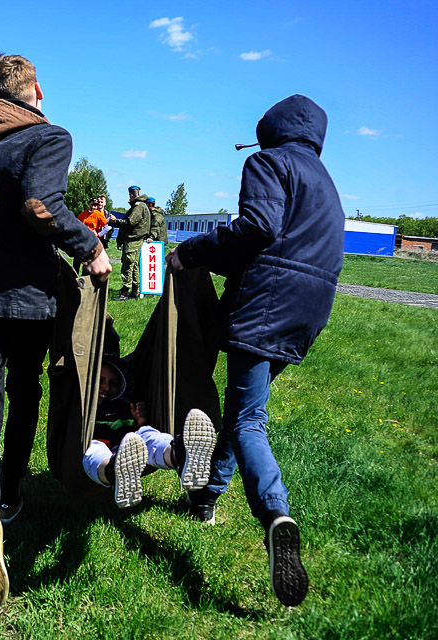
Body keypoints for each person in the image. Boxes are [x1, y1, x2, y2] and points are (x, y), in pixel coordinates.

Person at [0, 52, 112, 608]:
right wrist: (90, 246)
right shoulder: (49, 137)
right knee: (24, 392)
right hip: (26, 299)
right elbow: (42, 204)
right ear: (35, 91)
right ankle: (10, 494)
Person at [168, 94, 345, 607]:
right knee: (242, 412)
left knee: (248, 421)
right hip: (309, 311)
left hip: (267, 305)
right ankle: (206, 498)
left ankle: (275, 514)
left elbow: (258, 228)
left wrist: (191, 251)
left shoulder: (268, 163)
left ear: (272, 129)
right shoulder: (327, 184)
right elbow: (283, 245)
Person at [81, 353, 215, 508]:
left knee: (147, 433)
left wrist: (141, 421)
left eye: (114, 383)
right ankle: (113, 471)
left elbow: (137, 432)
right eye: (100, 381)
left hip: (131, 450)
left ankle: (179, 454)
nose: (106, 387)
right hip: (101, 446)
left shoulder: (126, 406)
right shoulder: (82, 406)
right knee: (94, 451)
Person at [112, 185, 151, 300]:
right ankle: (134, 291)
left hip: (133, 240)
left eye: (130, 195)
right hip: (135, 240)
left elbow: (129, 223)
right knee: (134, 266)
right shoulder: (141, 206)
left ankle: (125, 292)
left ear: (132, 195)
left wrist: (115, 221)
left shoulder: (138, 207)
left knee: (128, 265)